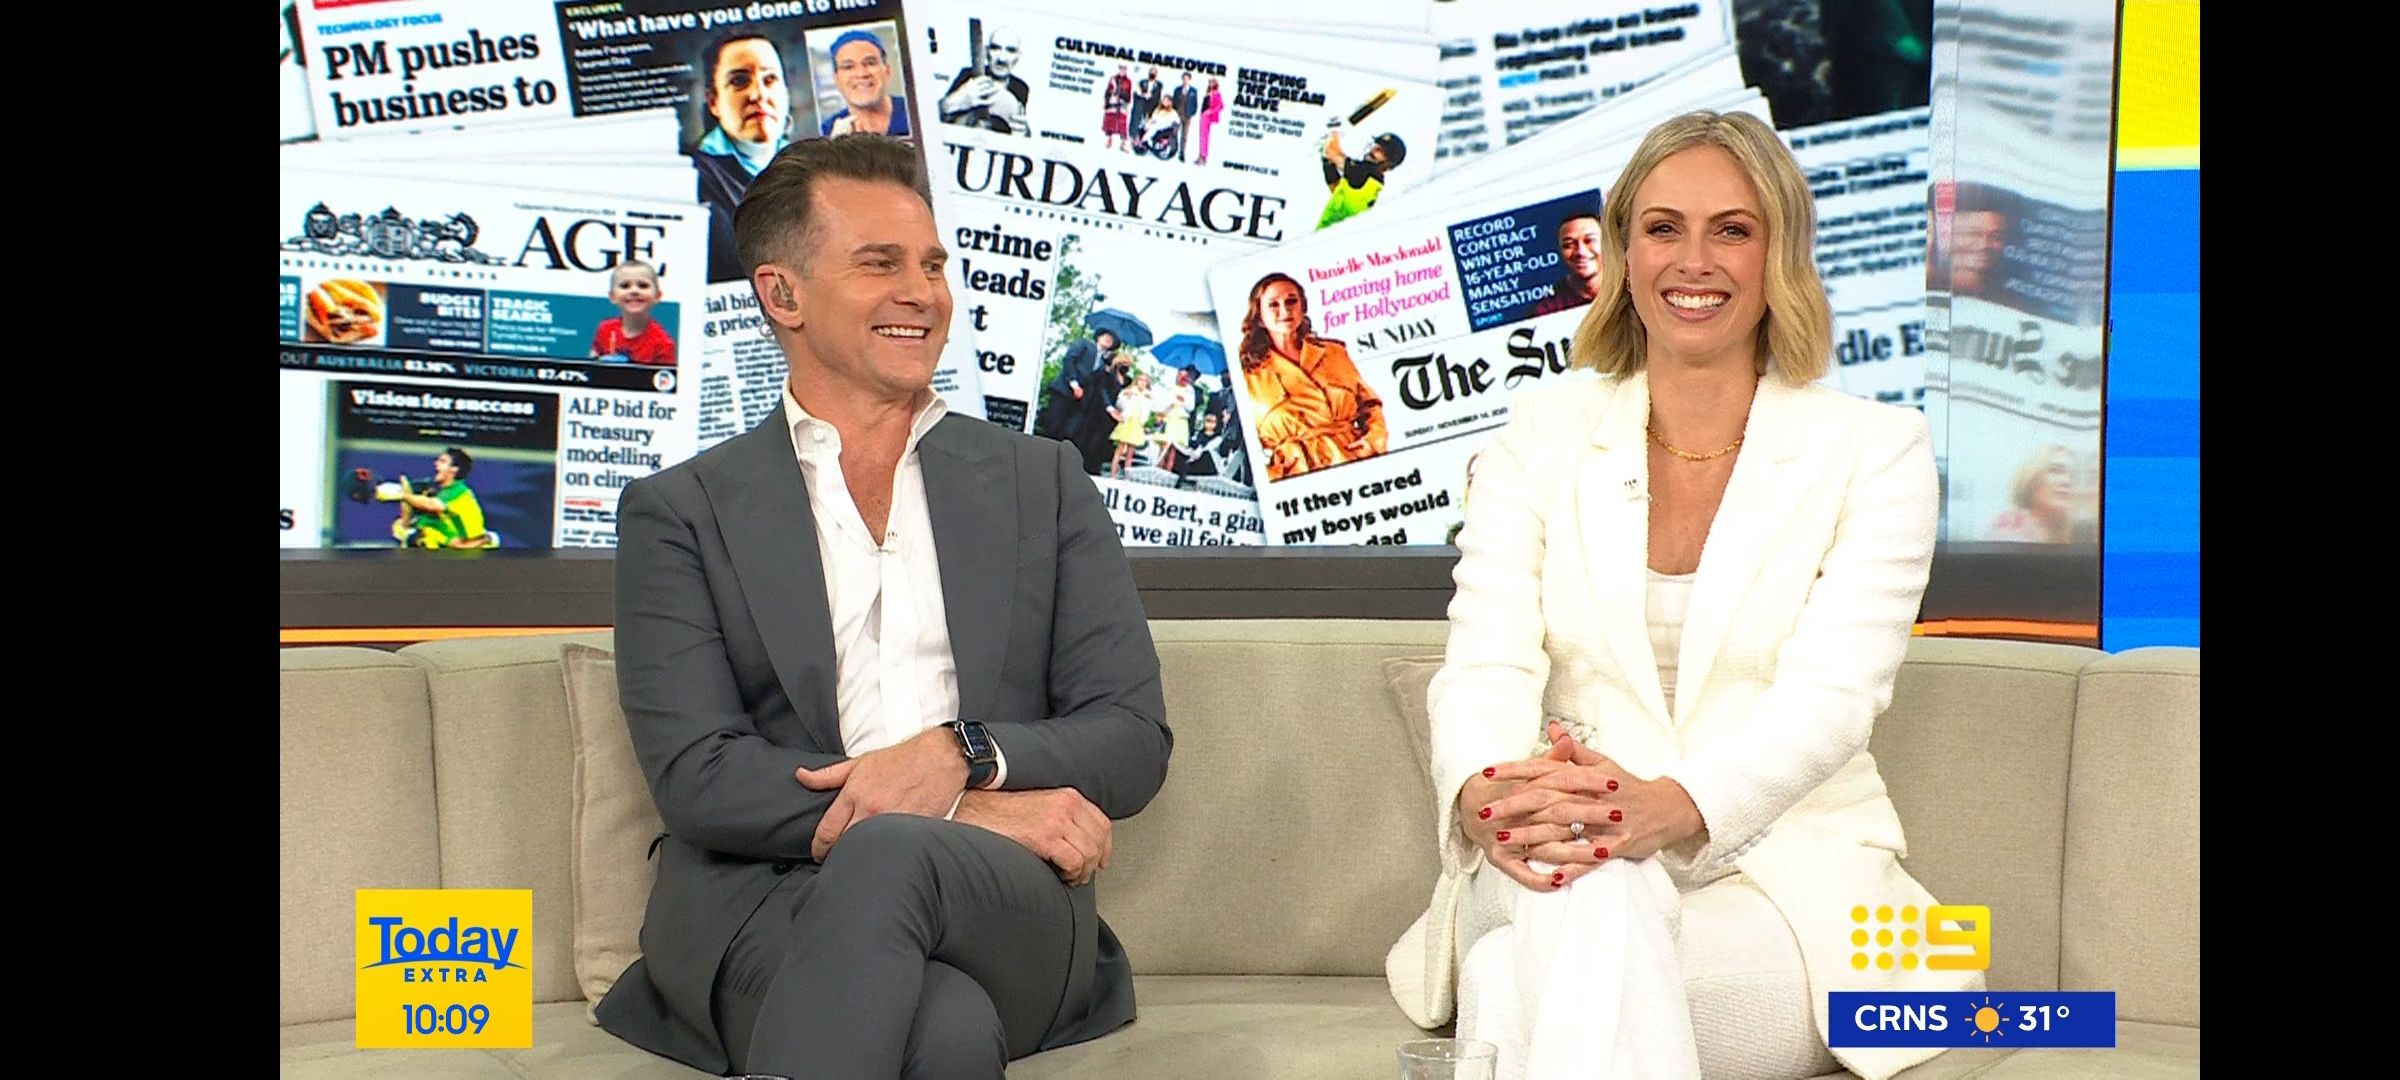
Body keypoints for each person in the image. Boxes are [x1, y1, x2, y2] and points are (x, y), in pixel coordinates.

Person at [1383, 110, 1980, 1080]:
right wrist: (1489, 792)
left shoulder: (1876, 450)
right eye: (1663, 228)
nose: (1692, 261)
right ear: (1624, 252)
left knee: (1509, 984)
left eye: (1731, 230)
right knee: (1593, 888)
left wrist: (1671, 806)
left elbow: (1833, 700)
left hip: (1781, 876)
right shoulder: (1542, 431)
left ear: (1779, 255)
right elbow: (1486, 658)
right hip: (1550, 847)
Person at [592, 135, 1173, 1080]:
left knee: (896, 860)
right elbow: (701, 774)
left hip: (1005, 904)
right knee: (942, 1031)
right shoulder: (682, 511)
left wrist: (960, 753)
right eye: (880, 264)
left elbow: (1131, 737)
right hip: (763, 906)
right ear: (782, 295)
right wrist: (957, 805)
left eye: (932, 266)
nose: (923, 293)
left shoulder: (1044, 482)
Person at [1237, 272, 1386, 480]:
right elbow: (1237, 442)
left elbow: (1370, 405)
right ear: (1259, 316)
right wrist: (1269, 477)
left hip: (1354, 460)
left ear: (1303, 307)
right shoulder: (1246, 373)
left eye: (1292, 301)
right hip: (1296, 474)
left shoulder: (1334, 352)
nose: (1285, 310)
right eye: (1273, 305)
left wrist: (1373, 441)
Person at [689, 32, 795, 282]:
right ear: (713, 102)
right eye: (739, 81)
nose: (759, 94)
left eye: (770, 79)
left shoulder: (811, 166)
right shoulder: (692, 178)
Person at [384, 447, 491, 549]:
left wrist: (402, 495)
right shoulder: (432, 485)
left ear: (454, 469)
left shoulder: (459, 492)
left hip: (471, 548)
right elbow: (407, 492)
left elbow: (431, 505)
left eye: (442, 461)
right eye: (438, 460)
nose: (436, 463)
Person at [938, 28, 1030, 135]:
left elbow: (1019, 131)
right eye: (995, 48)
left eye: (1010, 51)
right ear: (986, 52)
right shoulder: (968, 75)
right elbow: (932, 118)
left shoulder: (1020, 87)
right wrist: (952, 102)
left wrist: (1025, 131)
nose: (1002, 58)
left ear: (1018, 57)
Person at [820, 29, 910, 137]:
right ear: (836, 79)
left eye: (870, 63)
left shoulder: (917, 111)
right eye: (848, 67)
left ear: (887, 71)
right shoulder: (826, 132)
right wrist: (836, 145)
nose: (861, 74)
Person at [1984, 444, 2081, 543]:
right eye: (2056, 470)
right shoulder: (2005, 534)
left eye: (2073, 476)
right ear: (2032, 479)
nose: (2067, 481)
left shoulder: (2074, 535)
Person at [590, 260, 677, 366]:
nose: (634, 291)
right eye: (625, 286)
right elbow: (593, 362)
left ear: (657, 296)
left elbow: (665, 375)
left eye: (643, 286)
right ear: (612, 296)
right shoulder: (604, 330)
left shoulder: (663, 343)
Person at [1317, 129, 1406, 229]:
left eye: (1380, 151)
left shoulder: (1367, 173)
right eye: (1376, 146)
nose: (1373, 150)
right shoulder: (1370, 179)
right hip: (1335, 233)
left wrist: (1334, 135)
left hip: (1333, 234)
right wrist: (1327, 164)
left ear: (1388, 163)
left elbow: (1332, 152)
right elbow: (1338, 189)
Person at [1528, 212, 1604, 318]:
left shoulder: (1626, 286)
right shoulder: (1547, 310)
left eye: (1589, 240)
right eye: (1569, 245)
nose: (1580, 252)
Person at [1107, 371, 1156, 478]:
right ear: (1136, 381)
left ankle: (1127, 476)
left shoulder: (1148, 395)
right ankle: (1113, 474)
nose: (1142, 383)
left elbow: (1153, 408)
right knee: (1120, 449)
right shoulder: (1129, 391)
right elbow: (1119, 404)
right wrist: (1126, 396)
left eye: (1145, 381)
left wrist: (1150, 399)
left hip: (1138, 422)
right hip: (1127, 420)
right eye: (1140, 380)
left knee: (1131, 452)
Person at [1102, 64, 1134, 151]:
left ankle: (1123, 144)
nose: (1122, 70)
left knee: (1122, 124)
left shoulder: (1128, 81)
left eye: (1124, 69)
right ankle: (1109, 140)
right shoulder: (1113, 79)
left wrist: (1122, 96)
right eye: (1121, 69)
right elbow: (1108, 91)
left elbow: (1128, 94)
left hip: (1122, 104)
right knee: (1110, 122)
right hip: (1112, 103)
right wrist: (1108, 101)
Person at [1194, 77, 1224, 165]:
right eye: (1210, 82)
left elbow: (1221, 106)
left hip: (1208, 117)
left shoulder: (1217, 94)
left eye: (1212, 83)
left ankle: (1203, 157)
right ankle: (1200, 155)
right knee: (1202, 137)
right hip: (1203, 116)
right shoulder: (1208, 92)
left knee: (1205, 137)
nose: (1211, 84)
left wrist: (1210, 111)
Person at [1171, 73, 1200, 162]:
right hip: (1177, 114)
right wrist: (1174, 112)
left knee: (1184, 135)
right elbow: (1173, 101)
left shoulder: (1193, 91)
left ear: (1190, 80)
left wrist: (1191, 113)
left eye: (1187, 79)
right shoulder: (1177, 89)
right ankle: (1173, 149)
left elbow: (1195, 103)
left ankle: (1182, 153)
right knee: (1174, 132)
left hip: (1187, 116)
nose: (1185, 80)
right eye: (1184, 79)